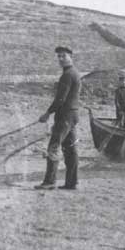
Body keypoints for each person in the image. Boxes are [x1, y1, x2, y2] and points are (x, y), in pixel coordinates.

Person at [35, 46, 81, 190]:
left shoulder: (68, 75)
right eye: (59, 57)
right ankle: (72, 183)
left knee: (53, 147)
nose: (60, 59)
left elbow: (60, 99)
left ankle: (50, 182)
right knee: (70, 149)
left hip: (65, 116)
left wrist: (47, 113)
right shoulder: (74, 73)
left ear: (71, 56)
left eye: (63, 56)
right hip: (72, 115)